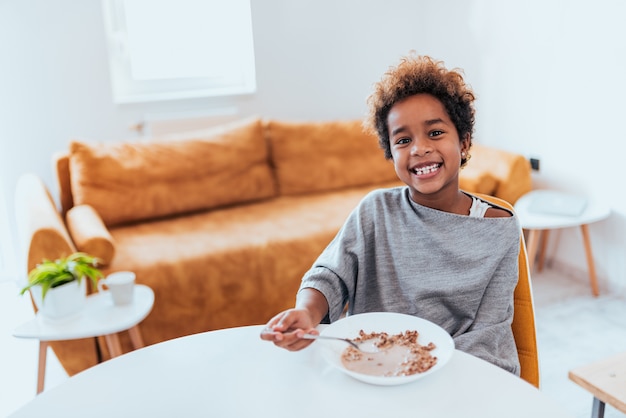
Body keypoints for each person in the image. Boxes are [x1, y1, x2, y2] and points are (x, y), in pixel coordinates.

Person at [260, 53, 521, 375]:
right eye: (403, 140)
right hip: (373, 366)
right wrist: (307, 312)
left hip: (460, 373)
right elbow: (330, 273)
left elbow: (489, 329)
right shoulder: (375, 210)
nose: (419, 148)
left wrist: (429, 373)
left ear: (464, 143)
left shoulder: (499, 228)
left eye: (435, 133)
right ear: (391, 154)